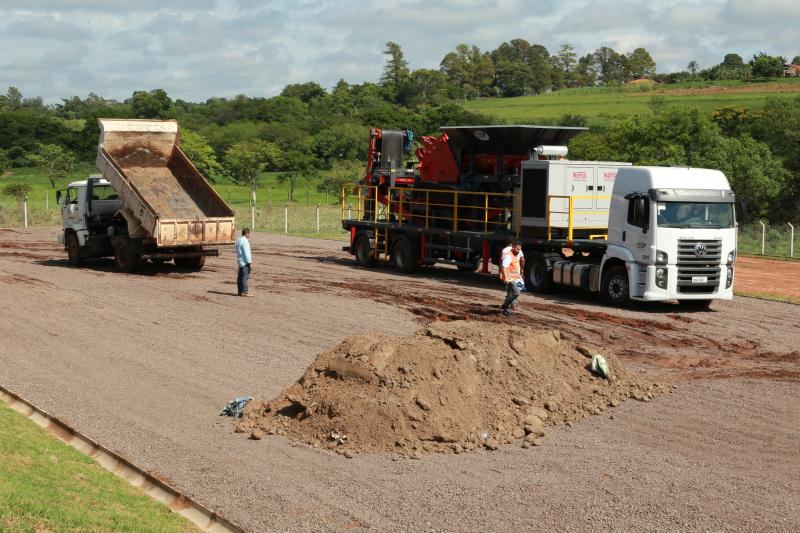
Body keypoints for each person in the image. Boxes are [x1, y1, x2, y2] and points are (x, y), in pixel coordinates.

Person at [500, 240, 524, 316]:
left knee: (511, 293)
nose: (518, 251)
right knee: (516, 292)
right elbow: (504, 267)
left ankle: (506, 309)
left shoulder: (515, 255)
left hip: (515, 278)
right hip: (509, 278)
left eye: (519, 249)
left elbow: (516, 265)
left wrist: (520, 274)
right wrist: (506, 278)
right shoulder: (508, 256)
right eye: (517, 249)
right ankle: (506, 306)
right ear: (513, 246)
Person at [236, 228, 252, 296]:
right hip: (245, 261)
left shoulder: (238, 240)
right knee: (245, 277)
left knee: (240, 277)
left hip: (239, 260)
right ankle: (244, 292)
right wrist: (250, 262)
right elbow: (247, 253)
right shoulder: (245, 241)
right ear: (246, 233)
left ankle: (239, 291)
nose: (249, 235)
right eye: (249, 234)